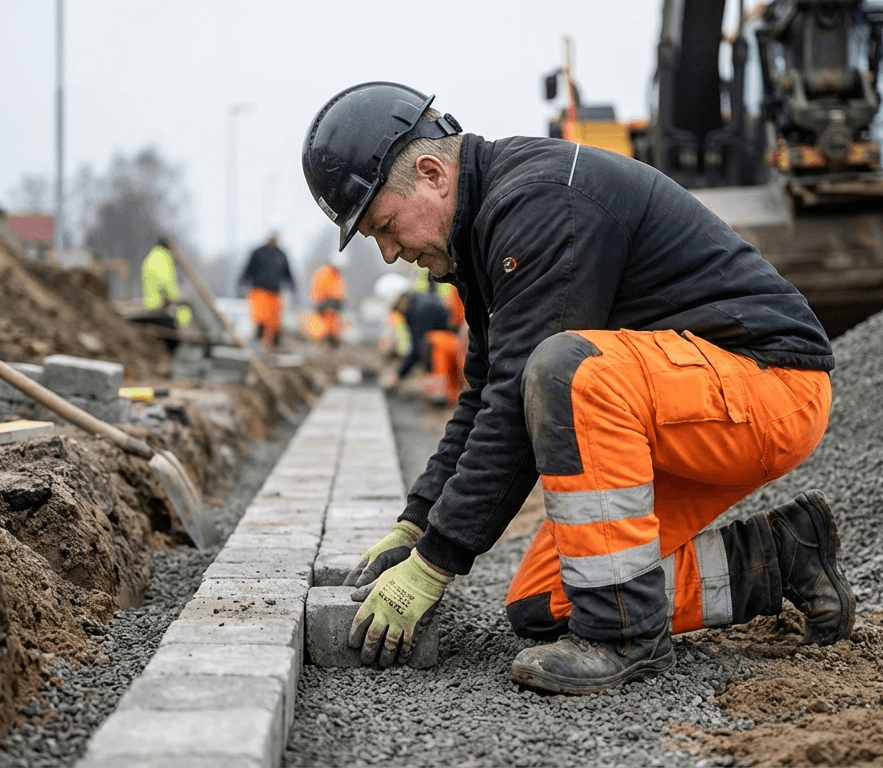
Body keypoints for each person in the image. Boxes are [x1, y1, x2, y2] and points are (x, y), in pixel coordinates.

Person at [301, 82, 853, 694]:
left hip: (769, 387)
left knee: (564, 370)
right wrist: (417, 524)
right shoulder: (483, 232)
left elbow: (516, 399)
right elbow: (484, 391)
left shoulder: (539, 204)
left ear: (431, 173)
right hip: (680, 401)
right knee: (549, 601)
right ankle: (784, 559)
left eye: (384, 225)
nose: (386, 254)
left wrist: (435, 563)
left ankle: (624, 637)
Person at [238, 232, 294, 349]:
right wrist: (241, 285)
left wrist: (293, 288)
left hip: (275, 293)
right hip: (260, 291)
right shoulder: (258, 252)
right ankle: (258, 341)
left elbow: (288, 274)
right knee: (261, 319)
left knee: (274, 323)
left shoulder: (281, 254)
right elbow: (248, 269)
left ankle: (272, 344)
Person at [136, 237, 192, 352]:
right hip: (158, 310)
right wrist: (178, 298)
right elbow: (166, 283)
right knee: (173, 337)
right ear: (169, 247)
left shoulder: (151, 257)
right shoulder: (162, 259)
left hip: (151, 305)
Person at [309, 251, 348, 347]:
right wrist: (321, 303)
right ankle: (326, 339)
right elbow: (320, 289)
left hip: (332, 302)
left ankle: (331, 339)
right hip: (325, 301)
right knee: (326, 322)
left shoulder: (336, 274)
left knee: (333, 321)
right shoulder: (325, 273)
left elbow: (340, 290)